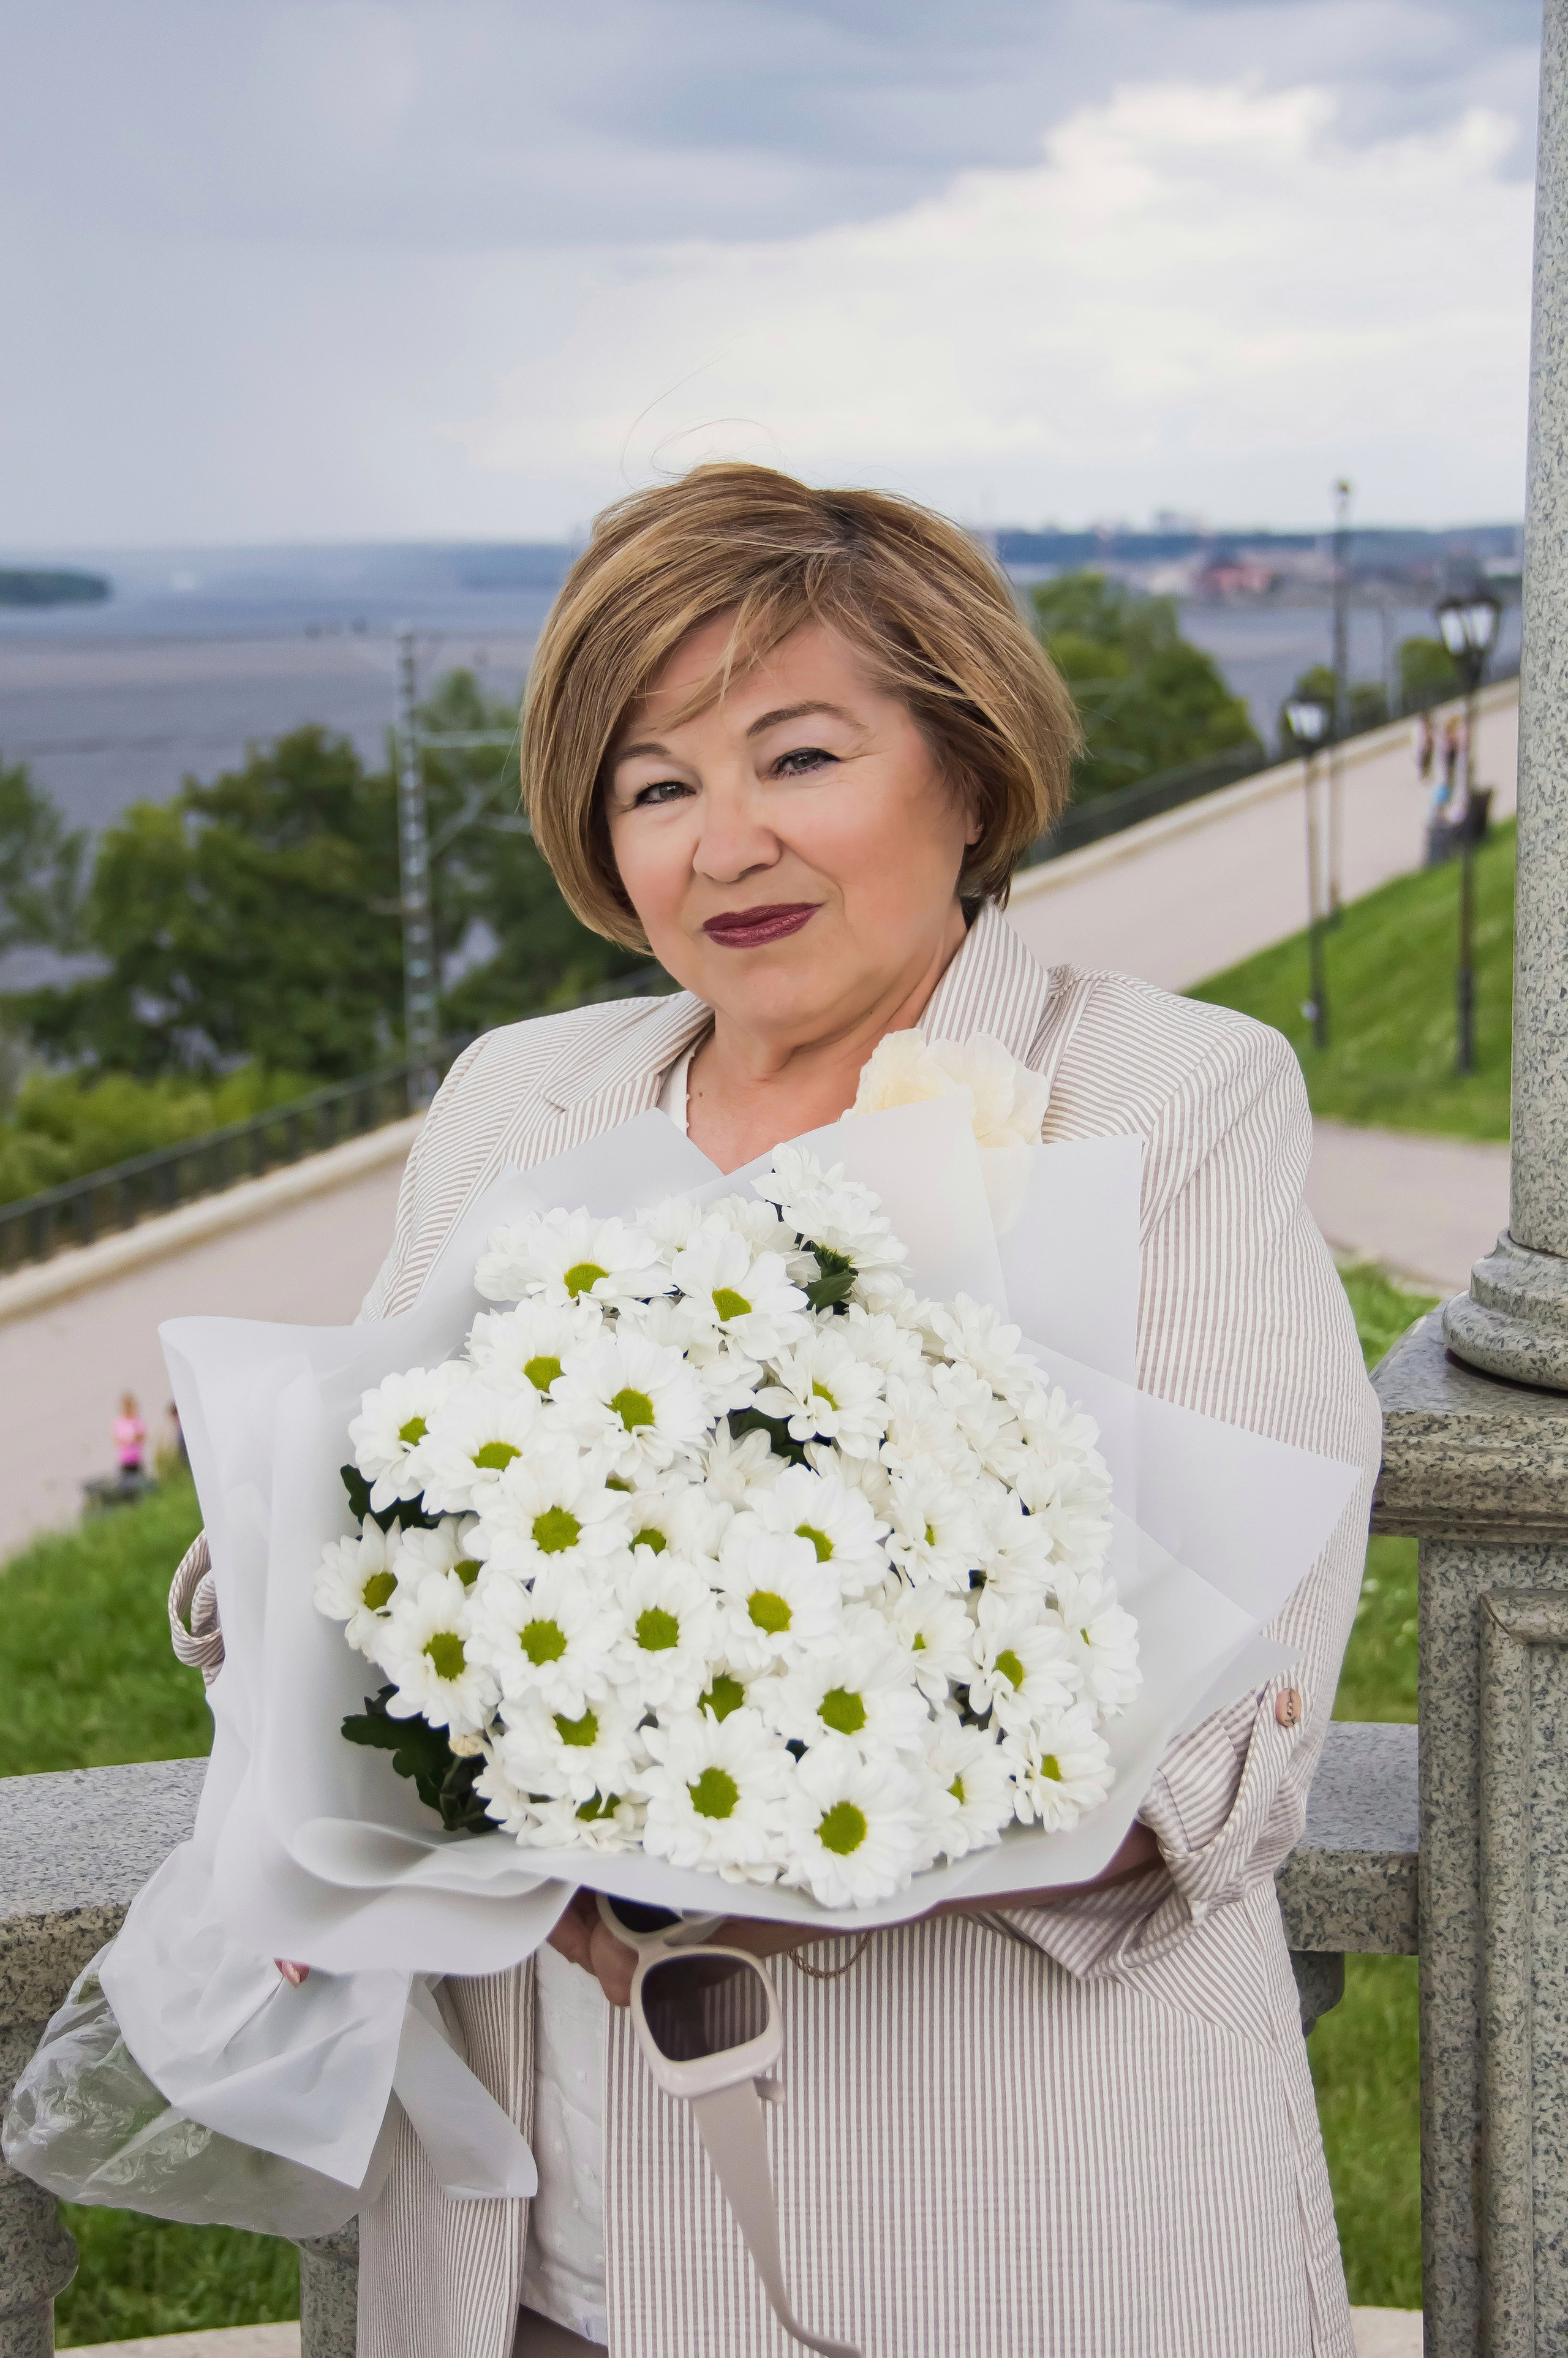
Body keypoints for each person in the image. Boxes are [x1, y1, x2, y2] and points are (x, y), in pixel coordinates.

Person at [168, 465, 1378, 2358]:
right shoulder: (521, 1096)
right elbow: (337, 1534)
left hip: (1026, 2234)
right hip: (545, 2256)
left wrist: (759, 1811)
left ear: (966, 770)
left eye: (794, 755)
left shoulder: (1173, 1095)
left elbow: (1239, 1734)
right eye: (656, 786)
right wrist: (329, 1611)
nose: (722, 841)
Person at [113, 1393, 146, 1485]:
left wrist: (129, 1439)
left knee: (139, 1485)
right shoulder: (119, 1422)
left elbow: (141, 1437)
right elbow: (117, 1440)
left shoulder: (138, 1420)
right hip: (124, 1460)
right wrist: (132, 1438)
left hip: (137, 1460)